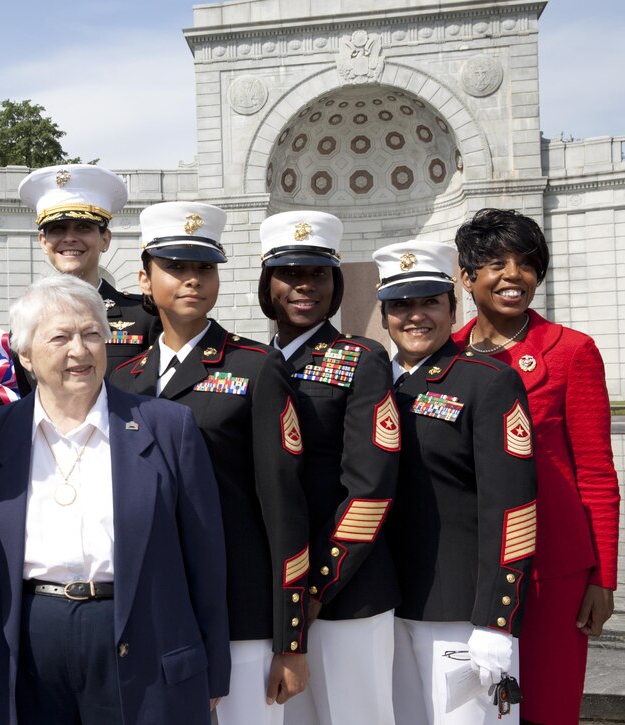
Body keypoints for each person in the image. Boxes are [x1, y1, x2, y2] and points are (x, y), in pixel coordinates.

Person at [0, 274, 230, 725]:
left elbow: (206, 557)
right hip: (31, 642)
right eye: (60, 337)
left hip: (143, 639)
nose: (79, 351)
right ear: (24, 354)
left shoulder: (167, 426)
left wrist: (213, 669)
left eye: (91, 334)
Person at [108, 202, 310, 724]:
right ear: (144, 279)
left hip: (239, 609)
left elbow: (284, 504)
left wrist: (290, 638)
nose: (192, 280)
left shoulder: (257, 368)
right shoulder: (123, 379)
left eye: (204, 268)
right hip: (153, 608)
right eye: (176, 267)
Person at [452, 208, 619, 725]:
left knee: (546, 706)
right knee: (471, 709)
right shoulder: (445, 354)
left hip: (554, 570)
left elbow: (596, 472)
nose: (513, 276)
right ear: (466, 276)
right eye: (496, 263)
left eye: (526, 264)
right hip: (466, 570)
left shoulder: (572, 352)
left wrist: (603, 578)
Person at [374, 240, 538, 724]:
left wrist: (496, 620)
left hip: (460, 619)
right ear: (383, 316)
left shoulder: (487, 382)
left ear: (453, 307)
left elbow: (512, 508)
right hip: (387, 611)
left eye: (429, 301)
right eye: (401, 304)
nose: (415, 316)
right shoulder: (374, 385)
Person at [257, 211, 401, 725]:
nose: (304, 286)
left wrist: (316, 585)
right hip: (271, 595)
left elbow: (371, 485)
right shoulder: (249, 362)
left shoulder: (361, 359)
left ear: (336, 283)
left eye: (318, 274)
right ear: (266, 281)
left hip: (342, 591)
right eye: (289, 273)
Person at [16, 164, 158, 391]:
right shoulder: (29, 317)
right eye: (58, 229)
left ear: (105, 239)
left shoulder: (145, 316)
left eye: (83, 227)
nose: (70, 238)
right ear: (43, 241)